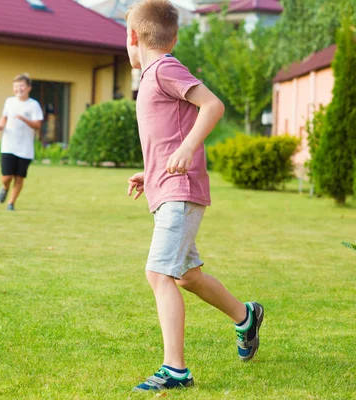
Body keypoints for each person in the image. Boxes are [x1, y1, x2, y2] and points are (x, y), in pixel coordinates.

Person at [125, 0, 264, 392]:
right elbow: (164, 139)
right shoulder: (155, 74)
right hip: (167, 188)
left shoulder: (165, 67)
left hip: (180, 193)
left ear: (133, 37)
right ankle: (245, 316)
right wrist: (149, 174)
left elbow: (212, 105)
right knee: (186, 276)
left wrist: (187, 149)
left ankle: (175, 370)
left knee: (158, 274)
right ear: (175, 33)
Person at [0, 74, 43, 211]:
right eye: (16, 86)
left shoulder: (33, 105)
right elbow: (4, 117)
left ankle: (11, 203)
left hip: (25, 148)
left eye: (21, 86)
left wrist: (25, 120)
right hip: (8, 145)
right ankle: (4, 187)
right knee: (7, 177)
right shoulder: (9, 102)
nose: (19, 89)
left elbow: (38, 125)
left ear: (28, 88)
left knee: (19, 177)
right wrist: (0, 125)